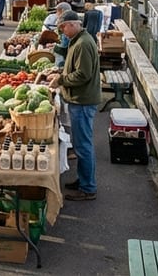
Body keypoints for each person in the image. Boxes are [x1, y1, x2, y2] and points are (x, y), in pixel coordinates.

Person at [51, 10, 101, 201]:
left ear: (72, 24)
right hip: (81, 99)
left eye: (63, 27)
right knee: (81, 144)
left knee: (83, 146)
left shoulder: (82, 44)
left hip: (83, 101)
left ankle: (88, 187)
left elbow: (83, 74)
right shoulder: (80, 40)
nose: (63, 32)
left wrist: (61, 80)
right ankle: (83, 180)